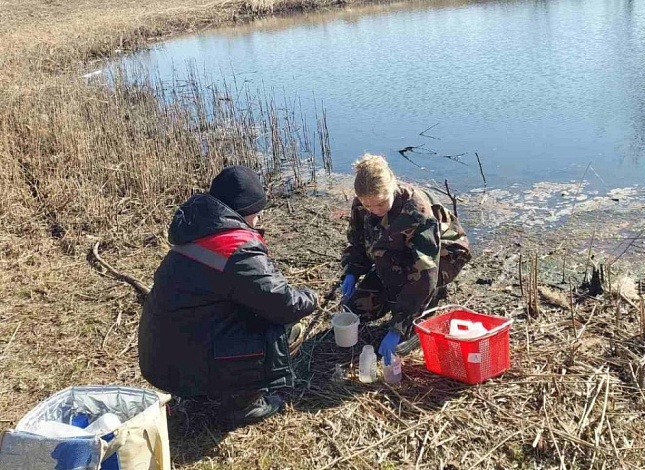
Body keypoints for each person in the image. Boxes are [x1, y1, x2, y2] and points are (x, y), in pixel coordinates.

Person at [138, 165, 318, 426]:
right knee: (287, 330)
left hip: (160, 359)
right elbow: (284, 304)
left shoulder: (196, 230)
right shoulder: (235, 249)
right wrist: (311, 296)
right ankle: (245, 404)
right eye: (257, 213)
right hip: (180, 369)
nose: (259, 219)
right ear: (246, 211)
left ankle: (205, 386)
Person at [341, 154, 471, 365]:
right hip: (398, 252)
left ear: (392, 186)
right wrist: (352, 271)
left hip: (444, 254)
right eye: (368, 206)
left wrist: (398, 327)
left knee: (410, 304)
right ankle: (398, 293)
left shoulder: (416, 212)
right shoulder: (364, 201)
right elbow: (357, 241)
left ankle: (432, 298)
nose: (374, 211)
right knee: (357, 310)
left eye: (381, 204)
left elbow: (425, 270)